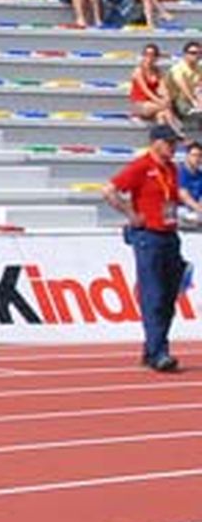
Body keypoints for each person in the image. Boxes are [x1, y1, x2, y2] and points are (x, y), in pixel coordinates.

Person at [102, 123, 187, 372]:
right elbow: (109, 190)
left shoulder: (171, 168)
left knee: (169, 298)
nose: (173, 148)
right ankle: (159, 352)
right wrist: (130, 214)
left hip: (170, 235)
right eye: (170, 143)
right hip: (149, 237)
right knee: (154, 296)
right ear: (156, 143)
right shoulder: (141, 166)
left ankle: (152, 349)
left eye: (175, 143)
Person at [129, 43, 177, 128]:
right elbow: (146, 90)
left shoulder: (157, 71)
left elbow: (163, 87)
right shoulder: (138, 71)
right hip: (140, 104)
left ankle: (162, 138)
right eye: (146, 54)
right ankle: (178, 133)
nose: (149, 57)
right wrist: (161, 102)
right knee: (165, 108)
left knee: (161, 115)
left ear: (156, 57)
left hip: (152, 103)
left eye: (152, 55)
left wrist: (167, 98)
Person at [163, 40, 202, 133]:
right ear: (185, 54)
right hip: (175, 100)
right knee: (192, 112)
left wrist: (199, 100)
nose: (196, 55)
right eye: (193, 53)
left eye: (199, 53)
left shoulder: (199, 68)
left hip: (190, 98)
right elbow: (183, 87)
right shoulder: (178, 69)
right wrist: (195, 102)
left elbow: (199, 87)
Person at [178, 141, 202, 228]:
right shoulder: (181, 172)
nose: (197, 159)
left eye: (200, 156)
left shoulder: (200, 175)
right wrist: (199, 209)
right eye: (194, 155)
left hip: (195, 211)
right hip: (181, 209)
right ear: (187, 156)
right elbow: (184, 196)